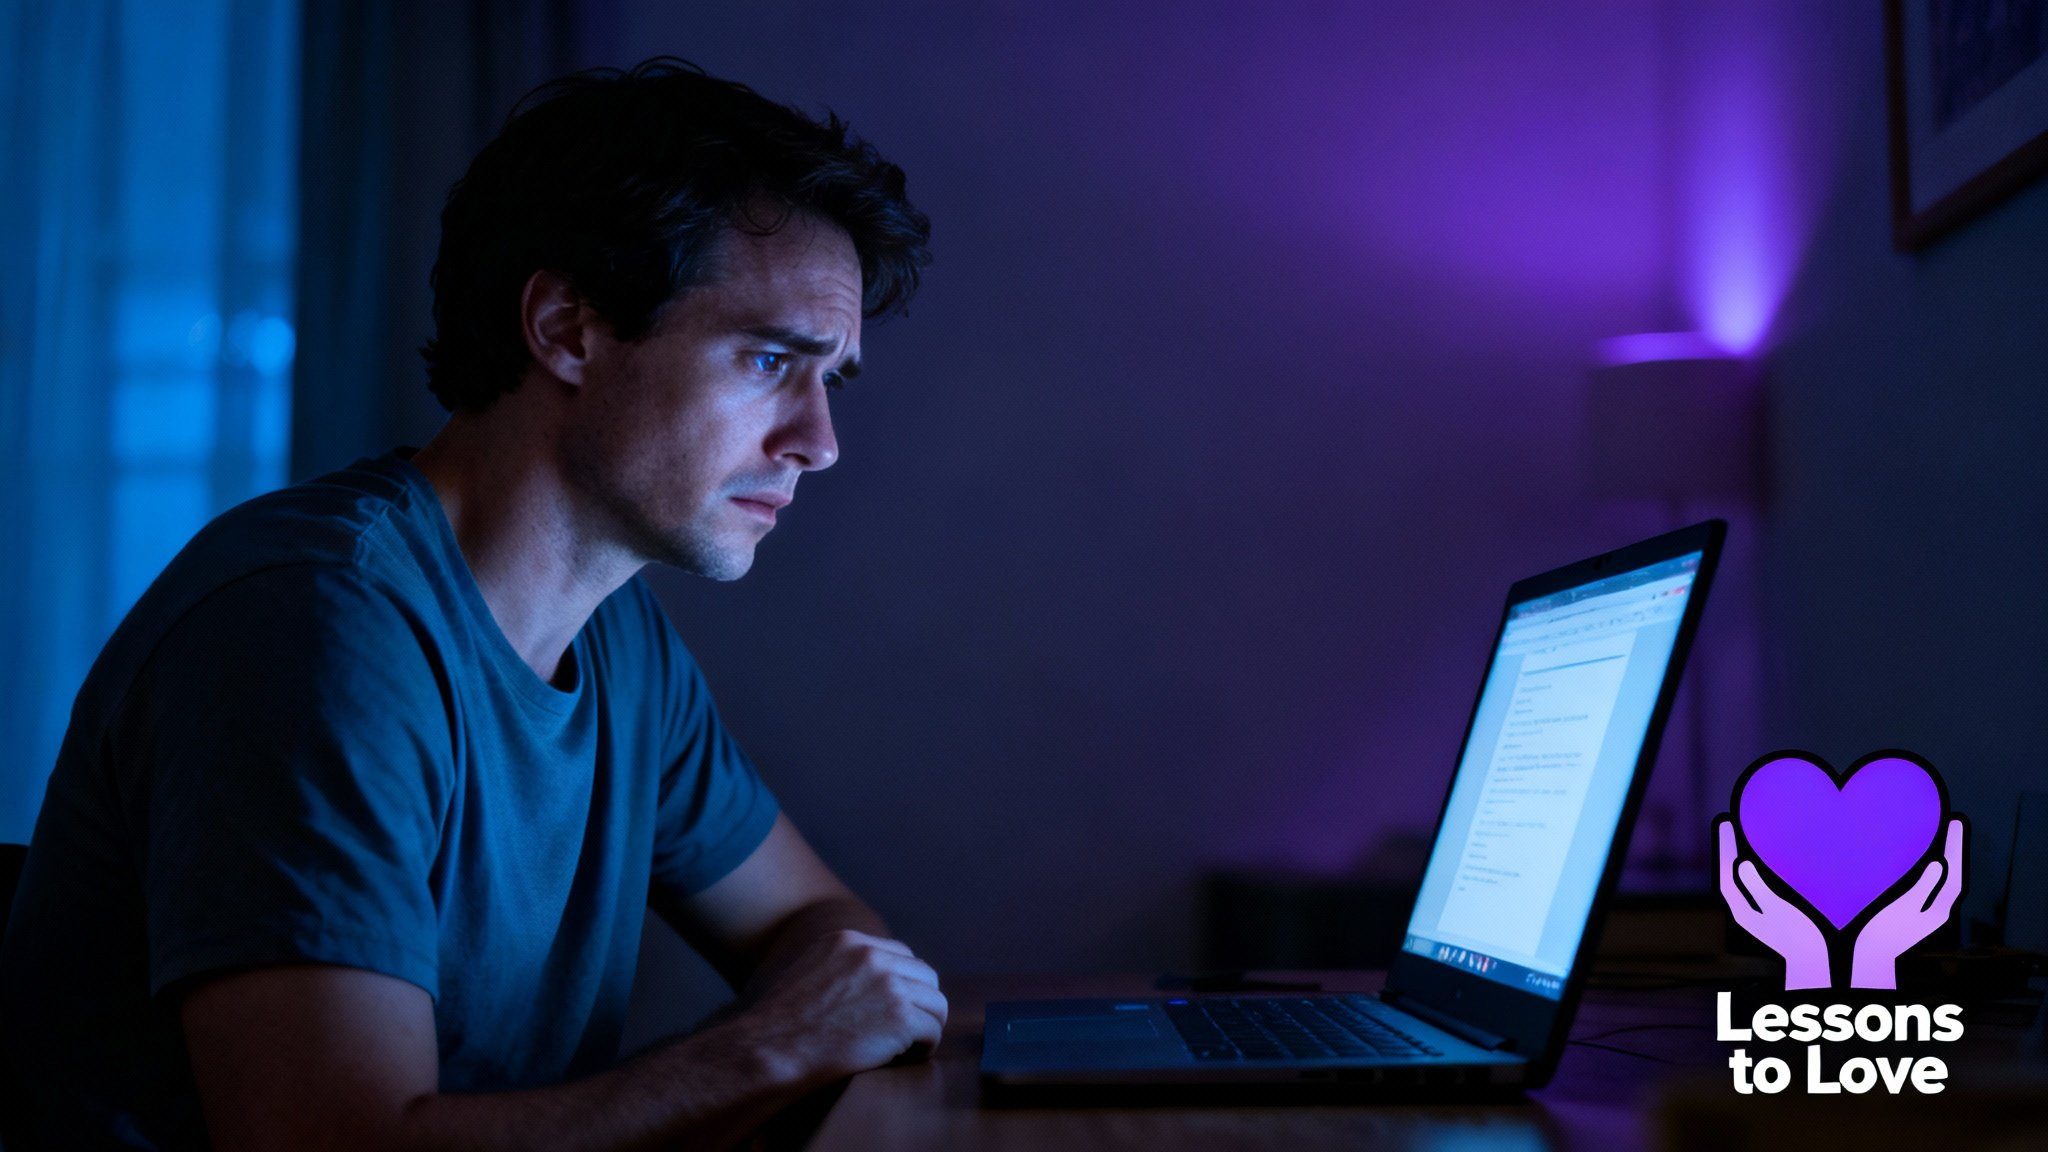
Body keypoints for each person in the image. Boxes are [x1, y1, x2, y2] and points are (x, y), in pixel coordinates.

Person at [0, 57, 941, 1150]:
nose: (818, 443)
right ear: (567, 328)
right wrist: (770, 1046)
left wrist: (811, 1016)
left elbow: (823, 934)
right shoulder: (316, 626)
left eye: (831, 379)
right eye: (772, 358)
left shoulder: (617, 638)